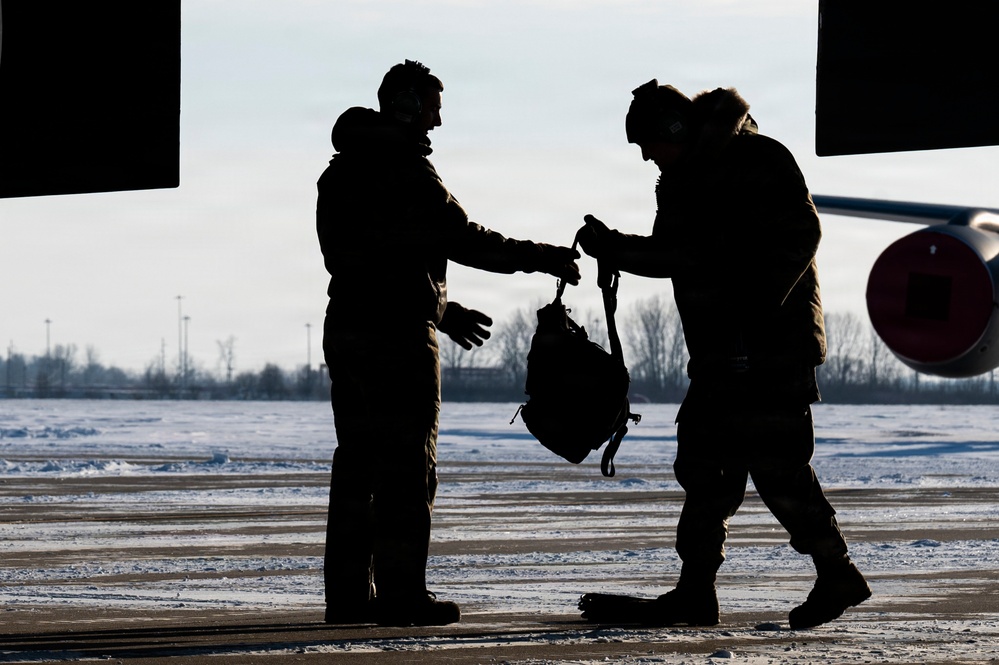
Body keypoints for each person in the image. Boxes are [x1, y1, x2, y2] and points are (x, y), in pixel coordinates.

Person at [575, 80, 871, 630]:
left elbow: (801, 233)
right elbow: (677, 255)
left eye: (649, 143)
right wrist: (613, 246)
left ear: (676, 129)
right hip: (719, 353)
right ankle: (695, 591)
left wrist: (752, 310)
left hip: (769, 352)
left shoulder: (758, 158)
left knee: (778, 468)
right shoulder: (683, 180)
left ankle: (837, 572)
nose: (646, 157)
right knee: (705, 467)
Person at [316, 60, 580, 628]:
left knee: (357, 463)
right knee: (407, 466)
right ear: (408, 107)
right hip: (395, 339)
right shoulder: (406, 171)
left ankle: (349, 595)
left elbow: (373, 258)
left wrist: (440, 308)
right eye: (432, 108)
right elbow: (464, 239)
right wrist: (542, 257)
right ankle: (402, 595)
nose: (437, 121)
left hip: (348, 328)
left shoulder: (340, 171)